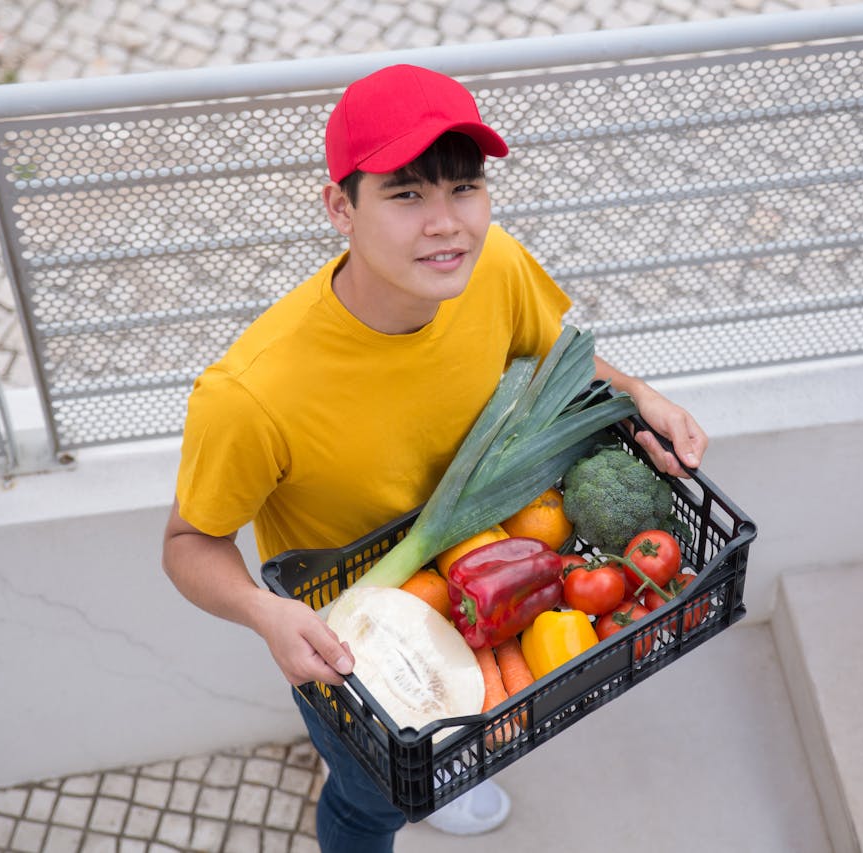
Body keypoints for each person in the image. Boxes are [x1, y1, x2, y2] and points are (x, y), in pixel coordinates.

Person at [161, 63, 708, 852]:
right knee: (369, 802)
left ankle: (449, 764)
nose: (447, 223)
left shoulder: (495, 266)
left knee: (462, 738)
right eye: (407, 194)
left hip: (495, 583)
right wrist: (265, 613)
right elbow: (188, 542)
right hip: (355, 649)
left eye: (464, 188)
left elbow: (558, 360)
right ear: (339, 209)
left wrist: (638, 394)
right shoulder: (252, 392)